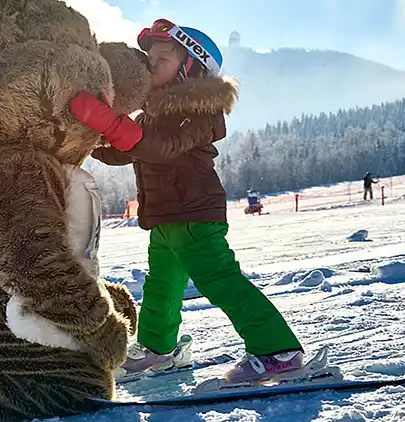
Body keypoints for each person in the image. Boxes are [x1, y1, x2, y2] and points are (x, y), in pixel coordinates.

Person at [69, 18, 304, 385]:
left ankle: (279, 351)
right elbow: (127, 150)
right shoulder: (154, 114)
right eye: (149, 56)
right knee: (162, 284)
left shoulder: (200, 111)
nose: (151, 63)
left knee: (219, 279)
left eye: (162, 57)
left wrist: (110, 123)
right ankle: (158, 350)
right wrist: (87, 138)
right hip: (165, 216)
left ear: (190, 68)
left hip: (194, 213)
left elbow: (159, 148)